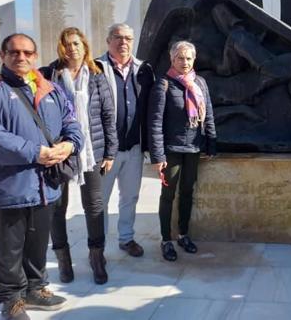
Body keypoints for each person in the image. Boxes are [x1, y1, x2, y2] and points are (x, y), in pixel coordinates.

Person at [0, 33, 83, 320]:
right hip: (6, 188)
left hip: (44, 186)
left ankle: (36, 288)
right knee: (8, 249)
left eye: (27, 52)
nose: (21, 57)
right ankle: (11, 301)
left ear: (35, 56)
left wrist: (70, 144)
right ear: (2, 56)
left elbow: (72, 122)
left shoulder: (51, 90)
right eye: (14, 52)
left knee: (37, 243)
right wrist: (34, 152)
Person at [40, 27, 117, 284]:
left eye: (76, 43)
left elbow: (108, 115)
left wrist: (110, 151)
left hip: (91, 152)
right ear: (61, 47)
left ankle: (97, 258)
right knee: (57, 208)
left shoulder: (97, 74)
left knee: (94, 206)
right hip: (60, 151)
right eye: (67, 44)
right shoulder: (48, 74)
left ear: (84, 46)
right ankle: (63, 260)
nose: (72, 48)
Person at [148, 41, 217, 261]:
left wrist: (211, 144)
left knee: (188, 192)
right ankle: (166, 239)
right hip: (172, 150)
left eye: (188, 58)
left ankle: (183, 234)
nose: (184, 62)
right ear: (172, 59)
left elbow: (210, 116)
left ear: (194, 59)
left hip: (194, 148)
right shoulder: (164, 84)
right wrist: (158, 156)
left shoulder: (200, 83)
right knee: (168, 195)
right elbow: (155, 122)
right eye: (180, 58)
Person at [95, 23, 154, 257]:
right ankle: (97, 246)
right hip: (106, 152)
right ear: (108, 40)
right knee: (100, 201)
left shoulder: (143, 69)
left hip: (134, 148)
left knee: (130, 196)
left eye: (128, 38)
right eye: (118, 37)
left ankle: (126, 238)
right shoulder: (96, 68)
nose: (124, 42)